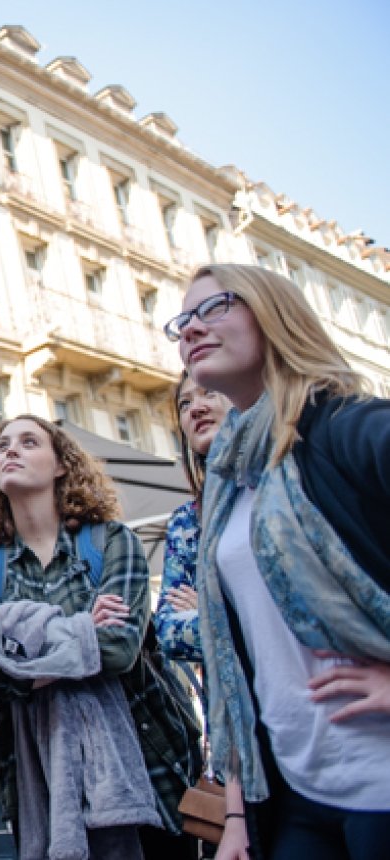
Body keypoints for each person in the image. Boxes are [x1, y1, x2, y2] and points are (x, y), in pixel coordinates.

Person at [168, 263, 390, 860]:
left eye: (214, 308)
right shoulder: (229, 479)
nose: (191, 329)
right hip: (295, 796)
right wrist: (237, 814)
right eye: (182, 320)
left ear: (275, 312)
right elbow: (242, 666)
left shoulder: (347, 428)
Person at [0, 416, 198, 860]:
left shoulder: (111, 541)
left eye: (29, 442)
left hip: (148, 767)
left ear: (62, 464)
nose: (11, 450)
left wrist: (16, 648)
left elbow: (119, 649)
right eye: (3, 446)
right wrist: (84, 628)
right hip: (37, 780)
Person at [155, 372, 228, 666]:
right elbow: (168, 632)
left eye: (209, 392)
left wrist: (207, 609)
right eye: (184, 404)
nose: (196, 408)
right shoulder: (185, 521)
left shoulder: (284, 486)